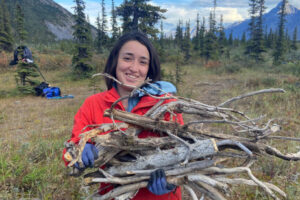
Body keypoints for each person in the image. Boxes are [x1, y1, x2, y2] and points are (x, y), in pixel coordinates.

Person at [63, 31, 183, 200]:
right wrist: (79, 150)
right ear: (115, 61)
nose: (134, 68)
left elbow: (183, 153)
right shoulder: (94, 104)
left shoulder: (166, 104)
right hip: (113, 195)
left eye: (143, 62)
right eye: (127, 58)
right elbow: (71, 149)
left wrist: (171, 181)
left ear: (149, 69)